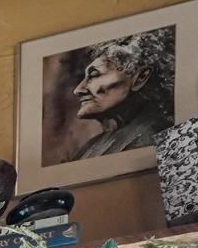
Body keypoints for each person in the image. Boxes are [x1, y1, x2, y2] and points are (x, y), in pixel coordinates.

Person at [67, 28, 177, 160]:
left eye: (94, 74)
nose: (78, 89)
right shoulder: (89, 147)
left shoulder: (160, 138)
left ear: (140, 78)